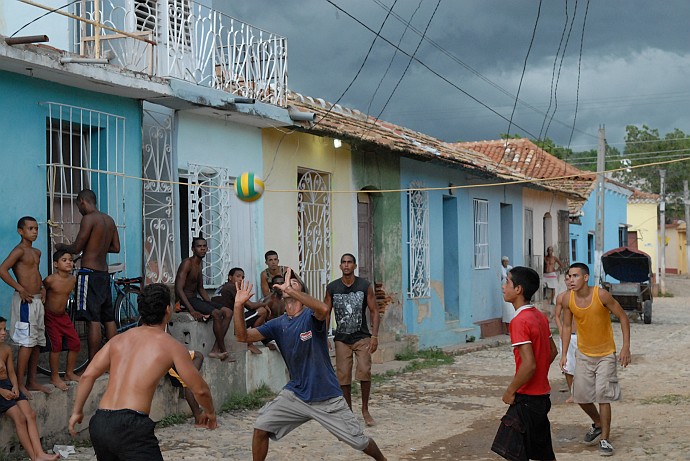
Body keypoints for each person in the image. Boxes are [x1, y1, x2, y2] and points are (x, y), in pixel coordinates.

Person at [232, 269, 387, 461]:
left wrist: (293, 290)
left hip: (327, 396)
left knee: (359, 441)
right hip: (296, 394)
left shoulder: (311, 317)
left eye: (294, 283)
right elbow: (242, 336)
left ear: (302, 292)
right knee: (261, 427)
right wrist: (238, 306)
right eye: (287, 284)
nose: (289, 284)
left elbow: (323, 309)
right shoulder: (277, 324)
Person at [69, 283, 217, 459]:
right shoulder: (171, 346)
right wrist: (210, 413)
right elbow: (199, 389)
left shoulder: (118, 340)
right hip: (131, 426)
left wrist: (77, 411)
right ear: (168, 309)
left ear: (141, 311)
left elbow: (87, 375)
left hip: (100, 422)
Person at [559, 263, 631, 457]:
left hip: (606, 354)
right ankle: (598, 423)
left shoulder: (601, 295)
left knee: (603, 395)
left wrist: (625, 347)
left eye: (575, 276)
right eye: (569, 276)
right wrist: (564, 353)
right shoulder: (568, 299)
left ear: (585, 277)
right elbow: (566, 326)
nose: (571, 280)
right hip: (583, 354)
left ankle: (605, 440)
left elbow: (623, 317)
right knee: (579, 395)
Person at [492, 266, 558, 461]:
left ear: (518, 289)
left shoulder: (519, 321)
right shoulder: (539, 316)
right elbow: (552, 351)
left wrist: (510, 390)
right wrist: (538, 375)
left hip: (527, 398)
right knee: (541, 452)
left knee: (514, 451)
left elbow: (528, 364)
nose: (504, 287)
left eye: (507, 282)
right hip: (541, 397)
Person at [55, 189, 120, 361]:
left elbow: (76, 248)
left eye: (78, 206)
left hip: (89, 274)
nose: (79, 210)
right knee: (109, 318)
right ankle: (114, 361)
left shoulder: (89, 218)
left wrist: (62, 246)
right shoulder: (109, 220)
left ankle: (93, 363)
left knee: (93, 319)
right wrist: (97, 246)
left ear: (82, 201)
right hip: (104, 274)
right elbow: (116, 248)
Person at [324, 253, 380, 427]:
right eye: (344, 262)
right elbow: (326, 311)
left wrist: (375, 335)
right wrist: (325, 335)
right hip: (341, 338)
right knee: (343, 375)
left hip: (362, 336)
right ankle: (348, 411)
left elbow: (374, 311)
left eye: (350, 262)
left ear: (355, 266)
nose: (346, 265)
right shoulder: (332, 287)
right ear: (340, 266)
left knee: (364, 370)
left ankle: (365, 409)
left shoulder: (364, 286)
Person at [0, 216, 51, 397]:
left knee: (37, 342)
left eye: (36, 228)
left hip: (37, 301)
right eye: (30, 228)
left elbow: (35, 272)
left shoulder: (36, 252)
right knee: (26, 343)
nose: (35, 231)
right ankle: (20, 383)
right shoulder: (19, 251)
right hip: (25, 302)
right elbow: (2, 269)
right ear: (20, 231)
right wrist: (20, 288)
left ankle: (32, 381)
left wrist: (43, 287)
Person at [0, 316, 60, 461]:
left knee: (30, 415)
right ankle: (34, 457)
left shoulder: (6, 349)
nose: (4, 332)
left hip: (8, 385)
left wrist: (15, 386)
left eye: (4, 329)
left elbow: (12, 373)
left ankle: (40, 453)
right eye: (0, 330)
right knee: (19, 417)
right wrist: (2, 391)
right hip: (0, 391)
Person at [175, 237, 232, 360]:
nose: (202, 248)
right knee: (216, 313)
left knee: (228, 311)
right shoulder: (187, 263)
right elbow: (178, 289)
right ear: (193, 249)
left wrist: (210, 303)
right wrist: (192, 310)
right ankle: (222, 350)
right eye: (199, 246)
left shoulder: (199, 264)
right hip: (187, 300)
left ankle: (215, 349)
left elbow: (200, 288)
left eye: (204, 246)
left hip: (195, 299)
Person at [212, 267, 275, 354]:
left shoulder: (223, 287)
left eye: (242, 277)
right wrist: (264, 304)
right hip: (232, 324)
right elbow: (250, 306)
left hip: (222, 318)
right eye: (238, 276)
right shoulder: (232, 287)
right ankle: (250, 343)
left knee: (259, 310)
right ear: (230, 277)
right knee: (262, 311)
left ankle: (264, 340)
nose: (241, 279)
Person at [42, 250, 81, 391]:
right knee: (56, 345)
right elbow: (42, 287)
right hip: (50, 316)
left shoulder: (72, 279)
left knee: (75, 342)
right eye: (64, 260)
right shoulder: (50, 279)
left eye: (70, 260)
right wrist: (43, 293)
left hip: (63, 316)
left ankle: (69, 373)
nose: (69, 262)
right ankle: (54, 376)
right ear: (55, 264)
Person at [167, 350, 206, 427]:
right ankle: (198, 417)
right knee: (189, 382)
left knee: (198, 355)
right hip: (167, 357)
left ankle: (190, 377)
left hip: (170, 353)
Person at [553, 273, 576, 403]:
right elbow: (557, 315)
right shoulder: (561, 297)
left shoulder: (582, 297)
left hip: (581, 335)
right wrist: (561, 329)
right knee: (567, 365)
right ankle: (572, 392)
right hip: (567, 336)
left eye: (571, 278)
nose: (569, 281)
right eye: (566, 279)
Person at [500, 256, 514, 333]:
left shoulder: (510, 268)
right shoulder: (500, 269)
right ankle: (507, 330)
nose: (505, 263)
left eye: (506, 261)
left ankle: (512, 329)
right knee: (506, 312)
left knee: (511, 312)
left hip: (511, 295)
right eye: (504, 261)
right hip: (504, 295)